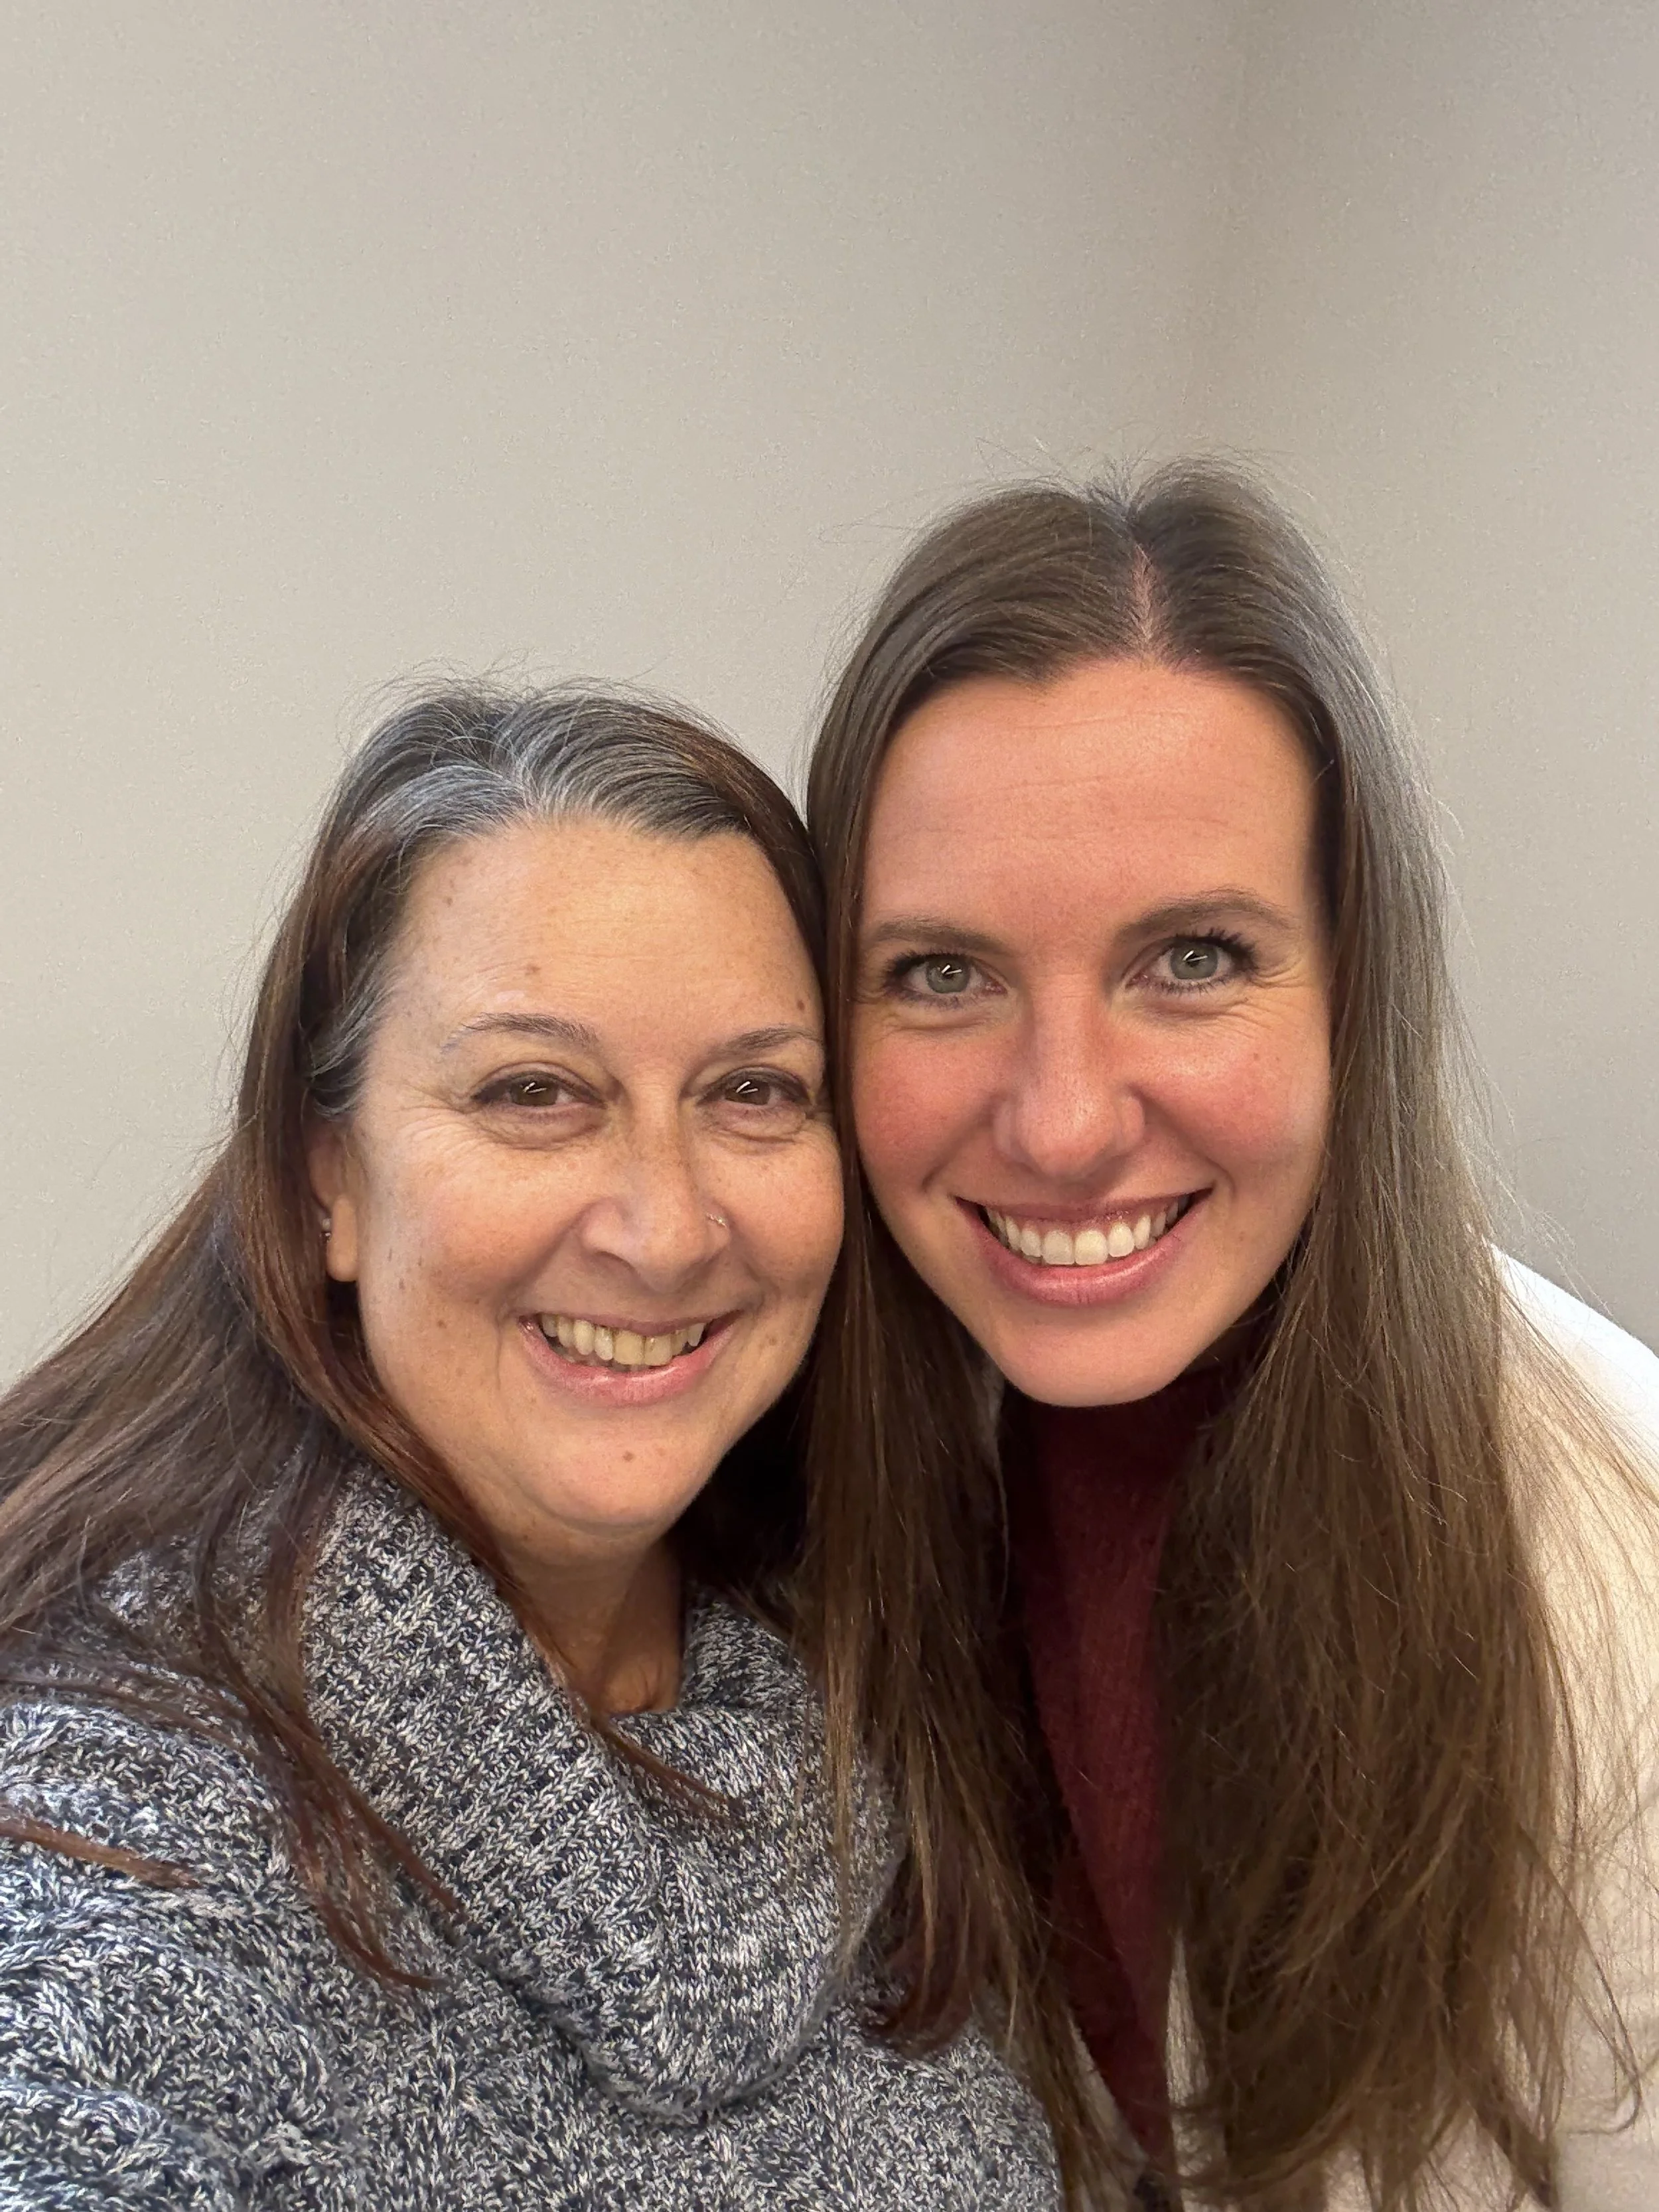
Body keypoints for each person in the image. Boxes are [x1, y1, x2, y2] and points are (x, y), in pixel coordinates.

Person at [0, 686, 1064, 2209]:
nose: (665, 1225)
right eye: (534, 1093)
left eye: (753, 1091)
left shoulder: (871, 1671)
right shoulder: (117, 1840)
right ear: (326, 1186)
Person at [801, 467, 1659, 2209]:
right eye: (942, 974)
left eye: (1189, 957)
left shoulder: (1616, 1608)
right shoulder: (815, 1437)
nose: (1055, 1123)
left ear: (1353, 983)